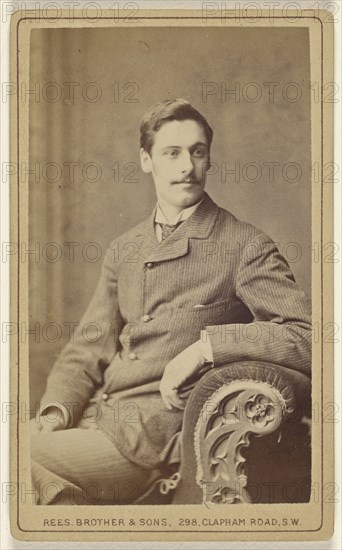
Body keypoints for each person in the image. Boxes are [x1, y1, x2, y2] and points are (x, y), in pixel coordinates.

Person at [30, 98, 311, 505]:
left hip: (147, 439)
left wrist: (206, 348)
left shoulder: (243, 244)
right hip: (91, 419)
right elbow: (85, 349)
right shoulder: (124, 248)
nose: (186, 167)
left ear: (209, 159)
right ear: (147, 160)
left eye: (197, 152)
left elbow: (310, 337)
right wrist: (56, 412)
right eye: (172, 153)